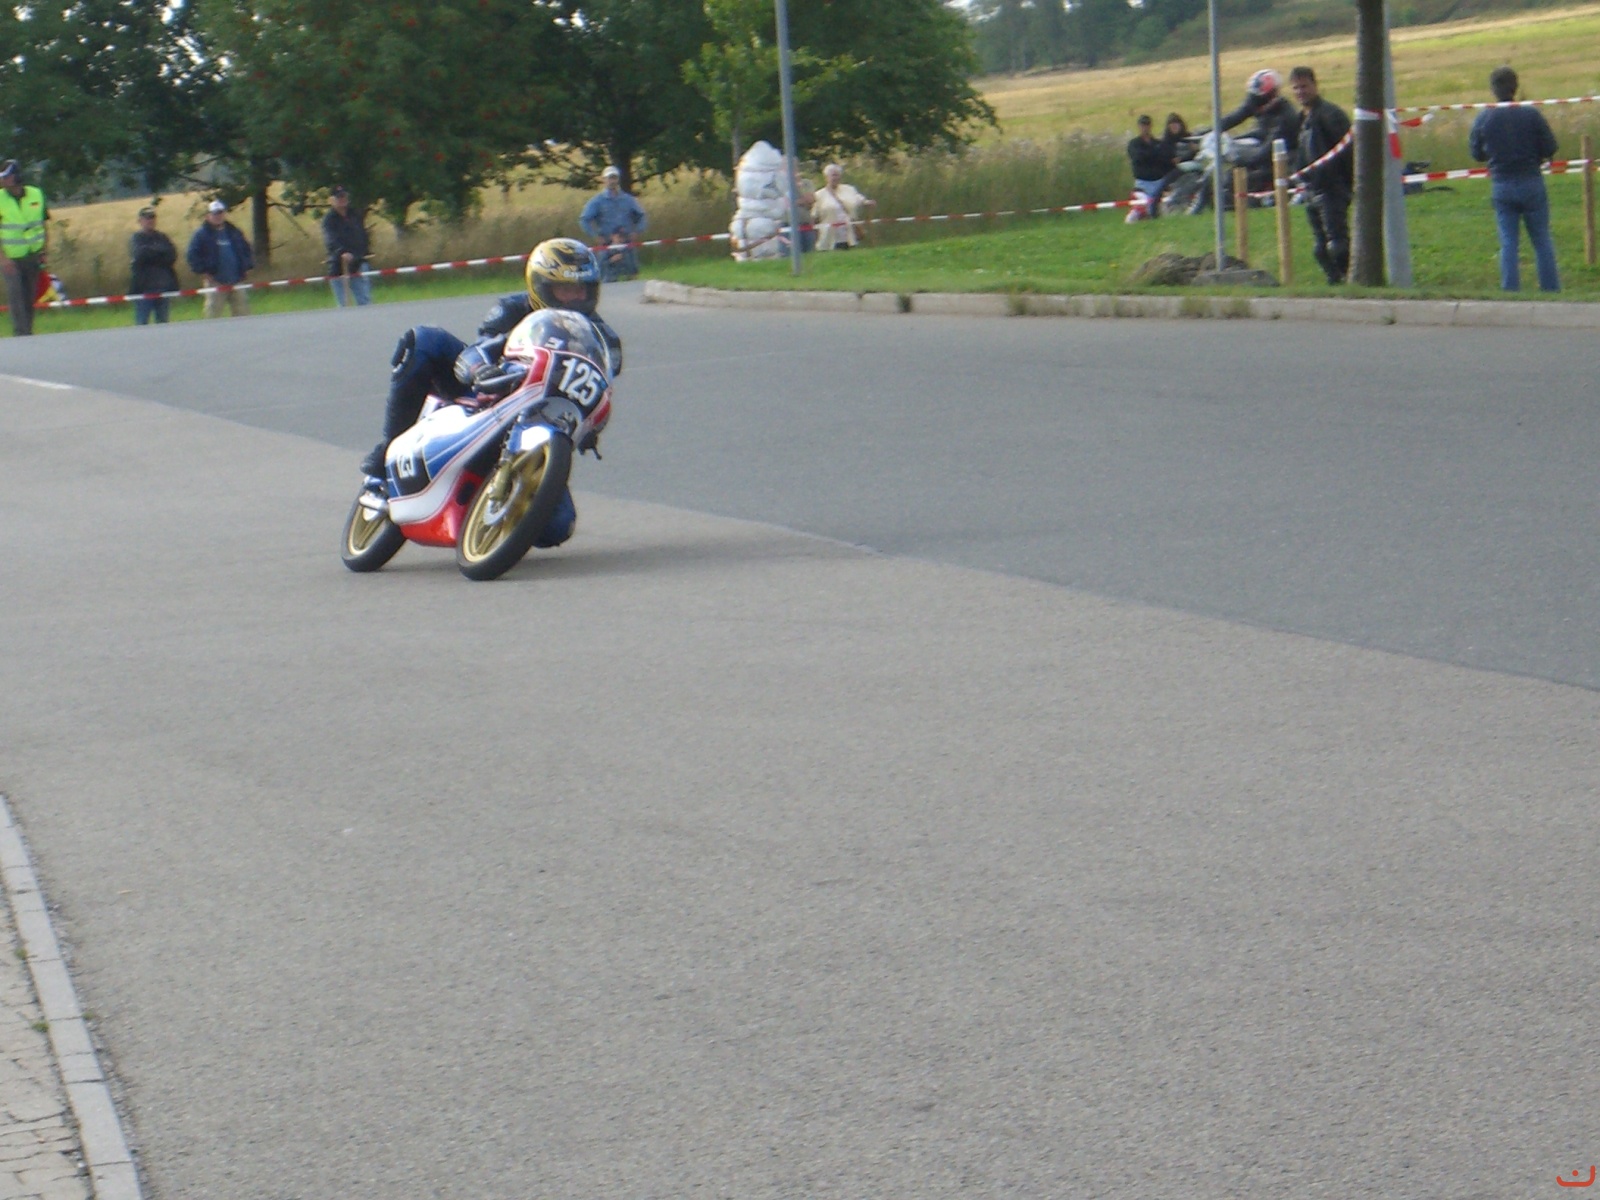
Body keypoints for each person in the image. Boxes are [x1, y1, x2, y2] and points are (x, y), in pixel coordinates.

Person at [358, 238, 624, 495]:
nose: (576, 298)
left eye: (582, 290)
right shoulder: (511, 308)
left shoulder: (603, 337)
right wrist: (480, 370)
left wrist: (587, 424)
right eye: (565, 290)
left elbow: (605, 382)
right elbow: (483, 345)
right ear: (541, 286)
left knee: (561, 520)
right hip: (490, 389)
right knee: (424, 341)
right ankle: (388, 448)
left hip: (544, 416)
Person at [1470, 66, 1560, 293]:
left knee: (1508, 242)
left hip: (1501, 183)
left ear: (1493, 89)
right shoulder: (1531, 114)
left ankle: (1510, 290)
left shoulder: (1484, 117)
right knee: (1542, 239)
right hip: (1531, 180)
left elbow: (1476, 153)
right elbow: (1550, 146)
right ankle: (1550, 289)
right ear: (1516, 87)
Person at [1290, 65, 1353, 285]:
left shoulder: (1330, 115)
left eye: (1304, 86)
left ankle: (1351, 278)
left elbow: (1348, 151)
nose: (1300, 92)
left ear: (1315, 86)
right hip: (1311, 189)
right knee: (1320, 248)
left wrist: (1346, 184)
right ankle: (1335, 282)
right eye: (1296, 88)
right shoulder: (1301, 119)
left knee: (1337, 244)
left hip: (1332, 187)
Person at [0, 160, 48, 337]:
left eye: (7, 177)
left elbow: (43, 224)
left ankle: (28, 330)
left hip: (33, 254)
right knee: (16, 296)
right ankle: (20, 332)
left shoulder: (36, 194)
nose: (3, 181)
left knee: (29, 296)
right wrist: (3, 259)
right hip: (10, 258)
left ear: (17, 177)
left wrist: (44, 250)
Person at [185, 200, 254, 317]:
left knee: (242, 313)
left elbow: (246, 250)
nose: (218, 216)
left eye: (220, 213)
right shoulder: (201, 235)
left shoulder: (234, 232)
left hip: (237, 280)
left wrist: (246, 267)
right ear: (208, 215)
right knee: (213, 314)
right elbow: (192, 255)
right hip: (215, 281)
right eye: (215, 213)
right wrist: (204, 272)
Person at [579, 166, 646, 282]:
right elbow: (584, 220)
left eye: (614, 178)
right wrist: (595, 236)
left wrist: (637, 231)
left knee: (632, 276)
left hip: (626, 243)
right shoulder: (597, 201)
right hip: (607, 244)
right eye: (609, 178)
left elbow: (641, 216)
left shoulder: (628, 200)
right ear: (604, 180)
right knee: (606, 277)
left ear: (618, 179)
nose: (612, 181)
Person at [1220, 69, 1301, 154]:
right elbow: (1235, 117)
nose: (1256, 109)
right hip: (1262, 142)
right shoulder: (1255, 104)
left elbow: (1265, 153)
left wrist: (1234, 155)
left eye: (1259, 103)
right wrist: (1212, 130)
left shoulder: (1286, 118)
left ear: (1275, 95)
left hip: (1281, 155)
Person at [128, 206, 179, 325]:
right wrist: (159, 252)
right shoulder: (136, 238)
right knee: (142, 323)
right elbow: (140, 255)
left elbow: (171, 255)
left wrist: (152, 252)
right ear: (140, 221)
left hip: (163, 286)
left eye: (152, 218)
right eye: (147, 218)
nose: (150, 221)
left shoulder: (162, 237)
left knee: (163, 322)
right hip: (143, 288)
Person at [322, 185, 372, 306]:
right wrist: (342, 252)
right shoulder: (329, 220)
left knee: (364, 300)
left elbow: (362, 234)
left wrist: (363, 251)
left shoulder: (354, 214)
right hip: (339, 266)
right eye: (339, 197)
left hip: (358, 262)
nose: (342, 199)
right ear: (332, 200)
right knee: (344, 304)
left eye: (344, 196)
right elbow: (331, 240)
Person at [812, 163, 875, 251]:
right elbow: (814, 215)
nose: (835, 178)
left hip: (848, 232)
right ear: (826, 177)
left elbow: (858, 198)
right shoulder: (819, 195)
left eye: (837, 175)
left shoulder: (849, 189)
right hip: (829, 234)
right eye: (833, 175)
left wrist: (867, 202)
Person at [1127, 115, 1176, 221]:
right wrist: (1155, 154)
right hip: (1142, 184)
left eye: (1147, 124)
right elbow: (1138, 158)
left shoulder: (1158, 143)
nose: (1145, 127)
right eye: (1143, 125)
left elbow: (1165, 160)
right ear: (1139, 126)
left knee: (1165, 209)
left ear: (1151, 126)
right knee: (1140, 209)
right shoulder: (1134, 144)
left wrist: (1150, 155)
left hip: (1159, 182)